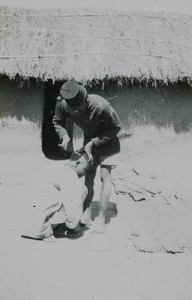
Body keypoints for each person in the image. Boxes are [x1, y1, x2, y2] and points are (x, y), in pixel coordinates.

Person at [53, 81, 121, 233]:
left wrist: (94, 143)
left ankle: (102, 220)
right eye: (73, 110)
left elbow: (116, 127)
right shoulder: (63, 104)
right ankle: (86, 214)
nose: (76, 113)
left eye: (79, 109)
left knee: (105, 176)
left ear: (86, 101)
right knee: (88, 176)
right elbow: (57, 122)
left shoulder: (101, 106)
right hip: (89, 138)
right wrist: (64, 136)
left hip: (107, 139)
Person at [21, 152, 90, 241]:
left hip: (26, 224)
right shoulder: (70, 175)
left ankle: (49, 227)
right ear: (77, 164)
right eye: (85, 169)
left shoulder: (56, 168)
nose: (85, 174)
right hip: (40, 228)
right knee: (82, 190)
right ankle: (60, 229)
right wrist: (74, 227)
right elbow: (73, 208)